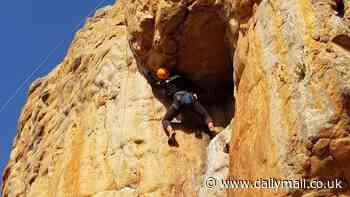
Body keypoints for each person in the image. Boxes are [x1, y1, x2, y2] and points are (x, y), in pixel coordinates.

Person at [144, 67, 217, 145]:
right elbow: (192, 84)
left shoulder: (164, 83)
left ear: (161, 77)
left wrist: (148, 74)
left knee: (165, 120)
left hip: (177, 102)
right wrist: (202, 92)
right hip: (189, 98)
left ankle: (171, 131)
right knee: (205, 115)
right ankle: (211, 127)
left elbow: (154, 84)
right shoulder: (180, 77)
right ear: (168, 72)